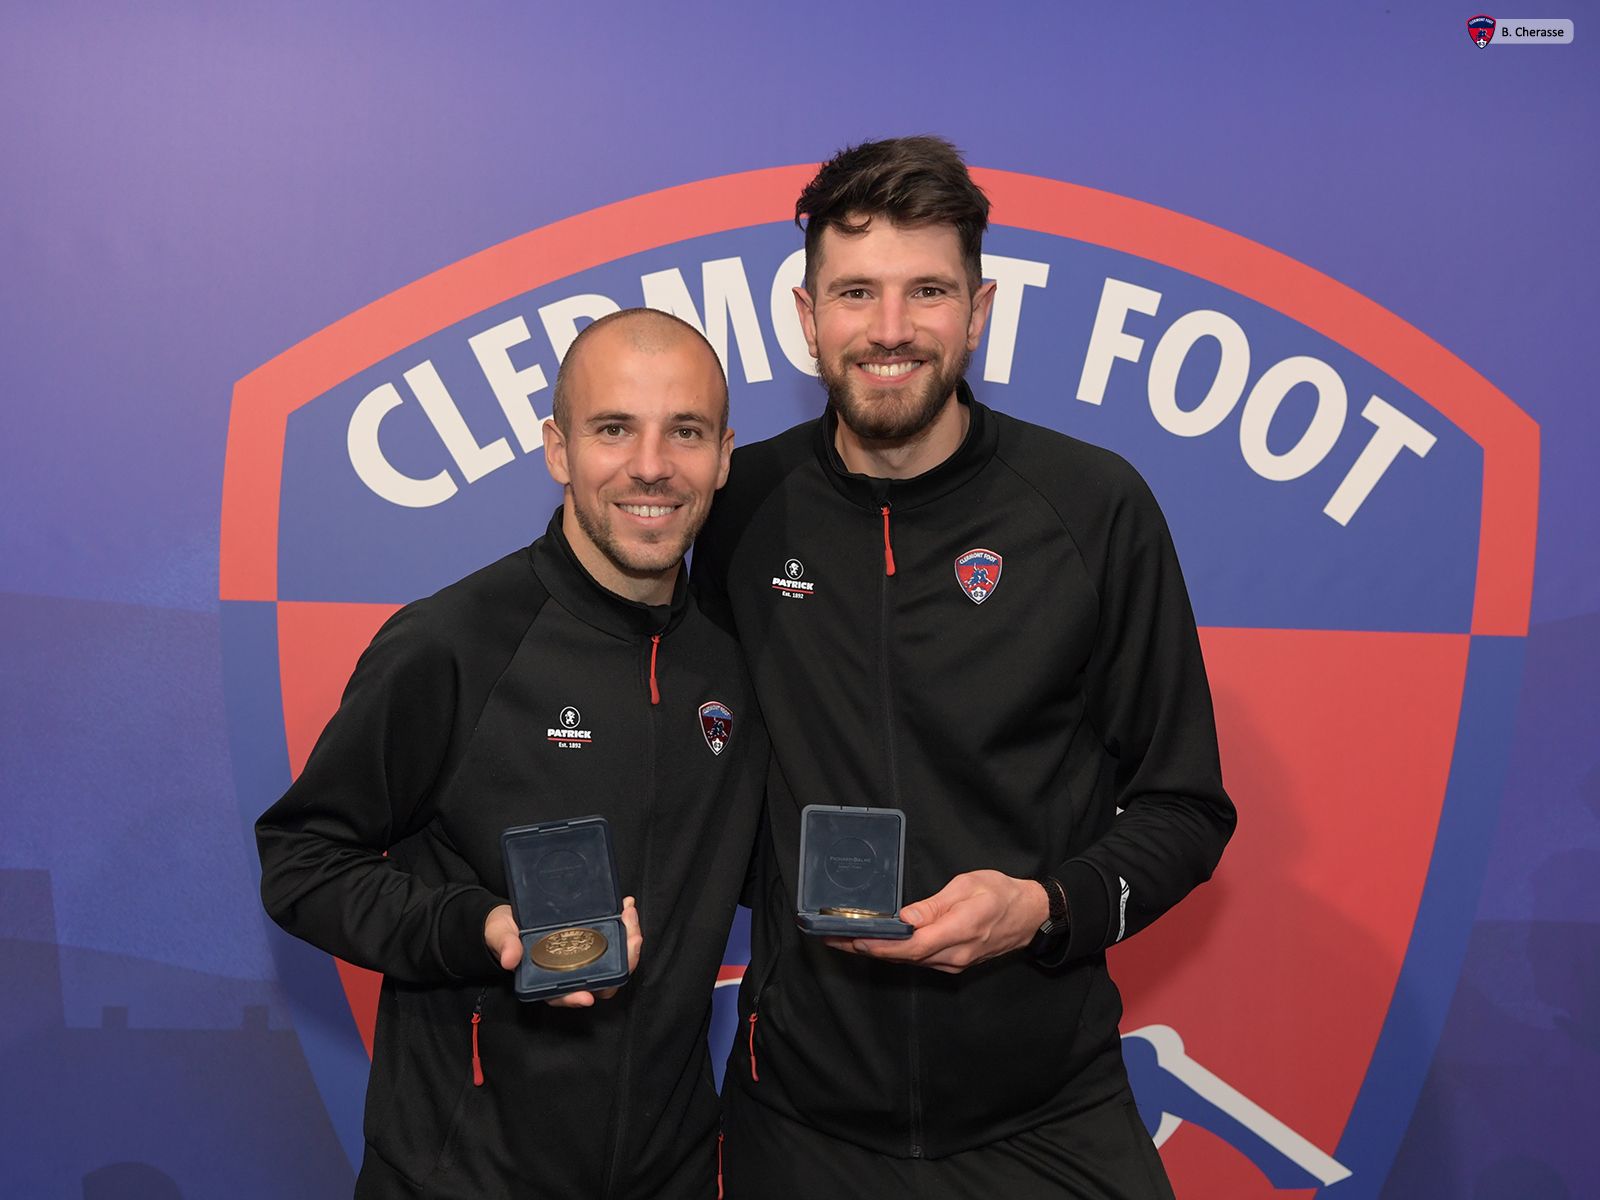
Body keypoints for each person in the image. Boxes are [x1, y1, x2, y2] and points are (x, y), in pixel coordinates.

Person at [692, 137, 1236, 1198]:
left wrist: (1043, 907)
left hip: (1045, 1111)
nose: (888, 330)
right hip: (800, 1121)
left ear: (979, 310)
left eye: (926, 291)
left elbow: (1184, 808)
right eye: (854, 292)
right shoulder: (731, 511)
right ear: (807, 318)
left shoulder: (1091, 508)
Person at [257, 308, 767, 1200]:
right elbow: (302, 863)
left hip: (672, 1173)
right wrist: (477, 928)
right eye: (613, 429)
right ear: (558, 449)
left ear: (724, 456)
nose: (651, 465)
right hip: (462, 1176)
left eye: (684, 432)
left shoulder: (740, 661)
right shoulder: (453, 644)